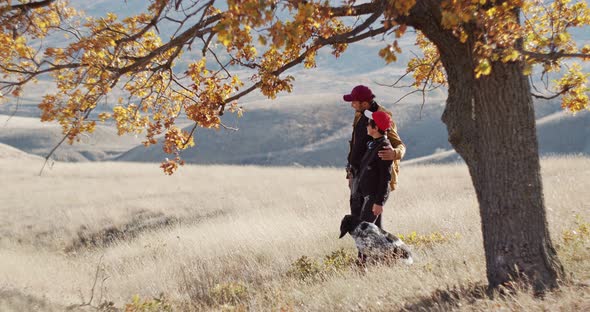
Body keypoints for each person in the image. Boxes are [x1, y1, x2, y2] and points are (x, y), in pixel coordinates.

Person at [343, 85, 406, 228]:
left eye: (354, 102)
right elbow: (356, 145)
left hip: (374, 179)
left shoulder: (382, 117)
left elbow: (399, 144)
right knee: (359, 220)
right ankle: (372, 249)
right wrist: (350, 172)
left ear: (364, 103)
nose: (352, 105)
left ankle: (379, 249)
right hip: (358, 175)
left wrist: (394, 153)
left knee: (368, 225)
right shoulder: (361, 113)